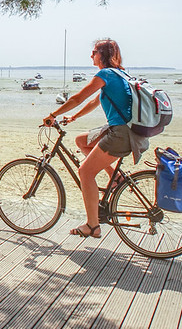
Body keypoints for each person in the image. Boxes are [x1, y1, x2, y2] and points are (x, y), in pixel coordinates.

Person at [42, 38, 147, 239]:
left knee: (85, 172)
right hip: (125, 130)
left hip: (120, 134)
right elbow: (93, 102)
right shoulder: (120, 74)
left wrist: (53, 115)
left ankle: (92, 226)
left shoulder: (105, 74)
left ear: (102, 55)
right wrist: (74, 117)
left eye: (94, 52)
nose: (91, 55)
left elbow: (77, 98)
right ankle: (115, 178)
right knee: (82, 141)